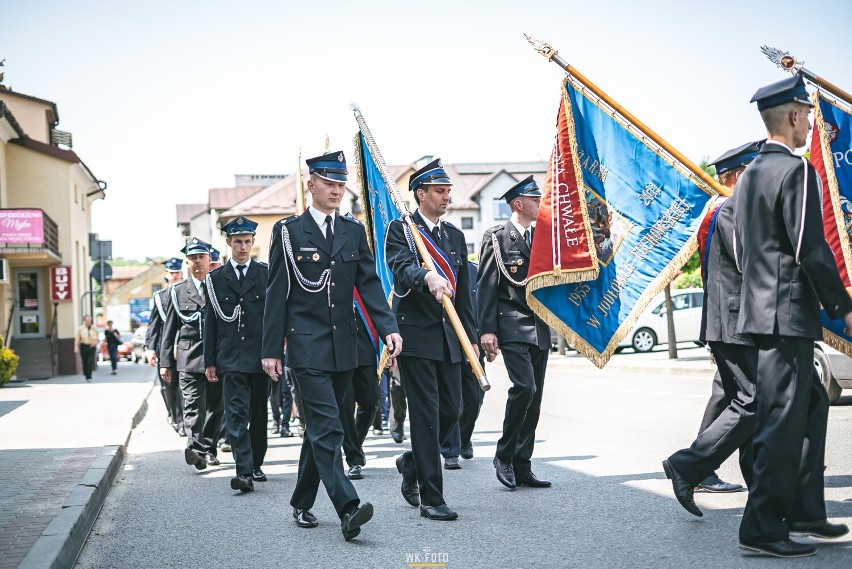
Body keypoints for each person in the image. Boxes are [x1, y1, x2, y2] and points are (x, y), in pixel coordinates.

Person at [734, 75, 852, 558]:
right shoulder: (796, 171)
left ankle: (804, 510)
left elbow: (745, 251)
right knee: (782, 422)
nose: (810, 124)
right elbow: (811, 247)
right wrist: (843, 309)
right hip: (786, 316)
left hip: (766, 310)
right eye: (807, 115)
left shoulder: (750, 175)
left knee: (809, 409)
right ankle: (762, 527)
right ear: (794, 116)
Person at [261, 150, 402, 541]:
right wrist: (271, 349)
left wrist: (387, 326)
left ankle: (302, 501)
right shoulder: (289, 233)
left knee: (323, 429)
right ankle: (348, 507)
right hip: (306, 347)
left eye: (341, 184)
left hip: (345, 346)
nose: (337, 190)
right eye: (329, 183)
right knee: (327, 427)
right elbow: (276, 292)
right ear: (312, 185)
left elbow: (369, 284)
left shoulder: (352, 232)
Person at [662, 141, 763, 514]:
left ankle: (765, 489)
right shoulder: (735, 210)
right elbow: (751, 268)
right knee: (753, 402)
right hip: (737, 321)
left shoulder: (718, 210)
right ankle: (688, 465)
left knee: (749, 403)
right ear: (739, 176)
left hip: (727, 321)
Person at [385, 158, 479, 520]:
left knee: (451, 410)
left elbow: (465, 294)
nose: (446, 197)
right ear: (420, 194)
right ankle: (432, 498)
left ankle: (413, 463)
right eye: (439, 191)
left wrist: (470, 338)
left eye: (448, 191)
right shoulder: (402, 230)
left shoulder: (454, 235)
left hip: (450, 339)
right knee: (425, 416)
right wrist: (426, 276)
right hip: (417, 337)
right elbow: (400, 266)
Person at [477, 175, 551, 489]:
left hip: (539, 326)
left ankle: (522, 465)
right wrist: (487, 331)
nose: (540, 204)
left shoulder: (543, 238)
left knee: (534, 400)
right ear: (518, 204)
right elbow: (486, 287)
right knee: (525, 388)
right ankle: (503, 456)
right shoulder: (497, 237)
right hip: (511, 325)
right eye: (535, 200)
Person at [203, 216, 270, 493]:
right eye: (238, 242)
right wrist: (209, 361)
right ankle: (243, 471)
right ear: (228, 242)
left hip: (260, 357)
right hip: (230, 358)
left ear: (253, 242)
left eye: (247, 241)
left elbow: (275, 319)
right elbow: (210, 322)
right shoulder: (216, 279)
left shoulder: (266, 274)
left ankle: (256, 462)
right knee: (236, 415)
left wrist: (276, 353)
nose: (243, 247)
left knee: (258, 414)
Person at [160, 238, 223, 471]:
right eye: (193, 258)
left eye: (202, 257)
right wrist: (165, 362)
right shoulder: (177, 292)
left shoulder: (219, 286)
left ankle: (210, 447)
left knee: (216, 406)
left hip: (216, 358)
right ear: (187, 262)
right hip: (189, 357)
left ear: (209, 260)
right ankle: (196, 450)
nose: (198, 262)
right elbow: (169, 329)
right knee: (193, 405)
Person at [440, 261, 485, 470]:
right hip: (448, 341)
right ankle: (451, 449)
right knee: (451, 399)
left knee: (475, 397)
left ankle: (464, 437)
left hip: (473, 342)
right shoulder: (436, 267)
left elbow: (482, 305)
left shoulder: (475, 269)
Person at [341, 290, 382, 480]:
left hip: (365, 349)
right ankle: (354, 458)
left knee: (371, 401)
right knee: (345, 407)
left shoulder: (365, 279)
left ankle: (355, 445)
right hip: (340, 352)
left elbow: (379, 311)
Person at [145, 257, 186, 436]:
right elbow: (153, 325)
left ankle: (183, 421)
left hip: (184, 348)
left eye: (177, 272)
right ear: (166, 275)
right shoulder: (159, 297)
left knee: (183, 387)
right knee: (167, 386)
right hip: (165, 349)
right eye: (172, 273)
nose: (175, 275)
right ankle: (174, 415)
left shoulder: (188, 293)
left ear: (182, 274)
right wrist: (150, 349)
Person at [75, 314, 99, 382]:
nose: (89, 321)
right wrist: (76, 347)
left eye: (90, 320)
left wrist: (95, 342)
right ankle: (86, 373)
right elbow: (77, 338)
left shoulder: (94, 328)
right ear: (85, 321)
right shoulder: (80, 328)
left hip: (92, 346)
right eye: (87, 320)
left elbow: (97, 336)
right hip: (83, 345)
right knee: (84, 361)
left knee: (90, 361)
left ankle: (89, 376)